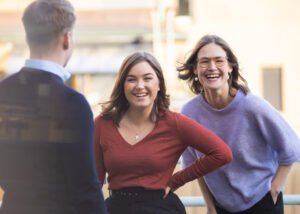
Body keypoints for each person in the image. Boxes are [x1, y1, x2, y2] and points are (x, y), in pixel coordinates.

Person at [0, 0, 107, 213]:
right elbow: (85, 188)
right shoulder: (72, 103)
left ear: (29, 37)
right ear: (67, 38)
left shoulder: (3, 91)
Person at [93, 51, 233, 214]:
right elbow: (95, 181)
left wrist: (177, 180)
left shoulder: (175, 123)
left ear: (158, 84)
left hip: (162, 208)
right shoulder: (102, 124)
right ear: (122, 85)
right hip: (116, 209)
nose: (140, 85)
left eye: (147, 78)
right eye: (131, 79)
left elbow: (222, 153)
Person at [178, 34, 300, 214]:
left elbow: (292, 148)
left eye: (219, 61)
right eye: (204, 62)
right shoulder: (189, 113)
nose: (212, 67)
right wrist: (210, 205)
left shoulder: (252, 106)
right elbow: (195, 165)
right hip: (221, 207)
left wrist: (275, 190)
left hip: (263, 203)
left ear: (230, 68)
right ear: (195, 69)